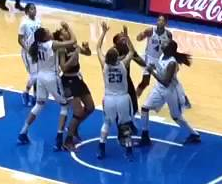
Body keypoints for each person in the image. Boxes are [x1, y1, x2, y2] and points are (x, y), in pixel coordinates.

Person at [16, 25, 79, 146]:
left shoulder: (37, 45)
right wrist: (68, 27)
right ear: (45, 37)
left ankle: (22, 133)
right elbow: (73, 41)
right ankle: (59, 138)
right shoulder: (51, 44)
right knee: (65, 106)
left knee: (39, 105)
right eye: (47, 31)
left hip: (40, 78)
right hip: (51, 78)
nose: (50, 31)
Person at [139, 38, 201, 145]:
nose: (162, 44)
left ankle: (194, 134)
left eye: (165, 43)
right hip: (159, 88)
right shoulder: (162, 56)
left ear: (170, 49)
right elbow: (160, 68)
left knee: (175, 116)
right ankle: (145, 137)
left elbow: (166, 82)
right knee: (144, 108)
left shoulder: (172, 63)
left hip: (171, 91)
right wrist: (154, 66)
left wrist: (152, 72)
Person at [95, 22, 137, 160]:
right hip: (123, 98)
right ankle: (129, 151)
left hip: (109, 99)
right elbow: (131, 51)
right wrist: (127, 36)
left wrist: (103, 32)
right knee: (125, 125)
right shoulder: (123, 64)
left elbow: (97, 47)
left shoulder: (104, 65)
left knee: (106, 123)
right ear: (117, 56)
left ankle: (101, 147)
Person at [55, 25, 94, 151]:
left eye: (67, 30)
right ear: (61, 37)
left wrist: (87, 48)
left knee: (90, 107)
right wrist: (73, 56)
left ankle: (74, 127)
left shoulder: (74, 46)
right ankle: (68, 141)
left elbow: (87, 53)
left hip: (78, 79)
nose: (66, 32)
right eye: (64, 31)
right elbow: (64, 68)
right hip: (67, 81)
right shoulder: (62, 49)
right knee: (78, 112)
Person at [17, 4, 43, 106]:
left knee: (39, 75)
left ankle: (35, 96)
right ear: (27, 12)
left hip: (37, 50)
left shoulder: (39, 21)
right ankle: (26, 92)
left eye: (35, 8)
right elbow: (19, 39)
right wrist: (28, 50)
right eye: (32, 9)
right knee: (34, 75)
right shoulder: (24, 23)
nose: (34, 10)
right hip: (28, 52)